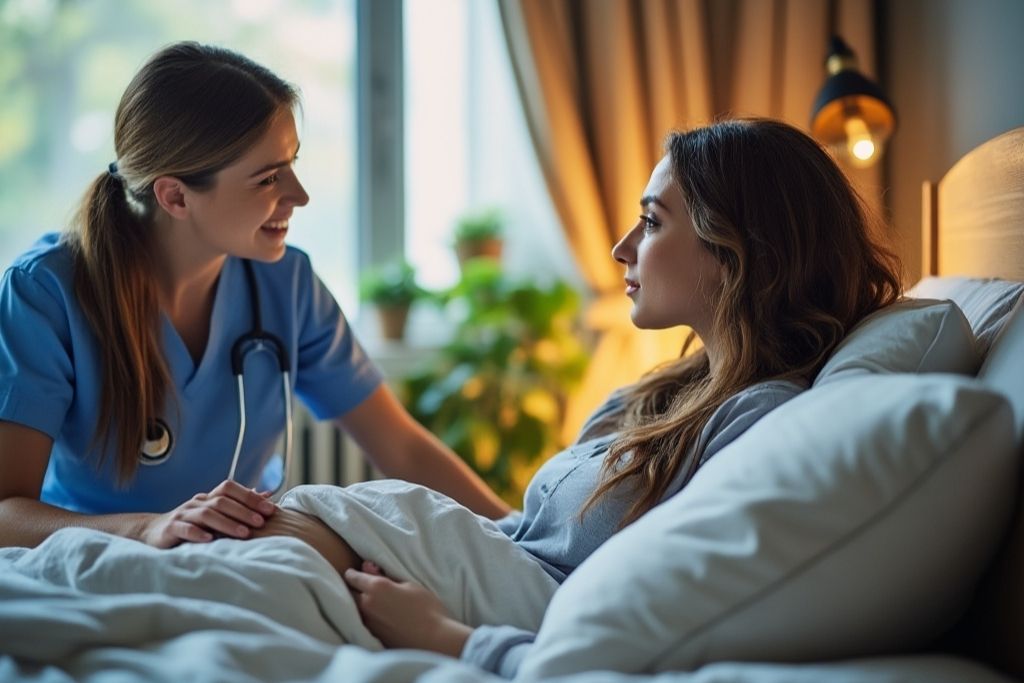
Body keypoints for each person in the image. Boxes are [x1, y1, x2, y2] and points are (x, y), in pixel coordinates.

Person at [332, 118, 903, 674]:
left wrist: (449, 639)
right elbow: (528, 537)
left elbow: (655, 634)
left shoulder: (758, 425)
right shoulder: (663, 391)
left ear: (737, 250)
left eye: (652, 224)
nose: (620, 248)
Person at [0, 41, 509, 551]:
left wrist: (523, 536)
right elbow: (7, 514)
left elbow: (402, 448)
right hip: (94, 564)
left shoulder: (287, 284)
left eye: (291, 164)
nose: (299, 194)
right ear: (175, 195)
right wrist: (148, 528)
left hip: (243, 560)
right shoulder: (45, 293)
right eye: (268, 177)